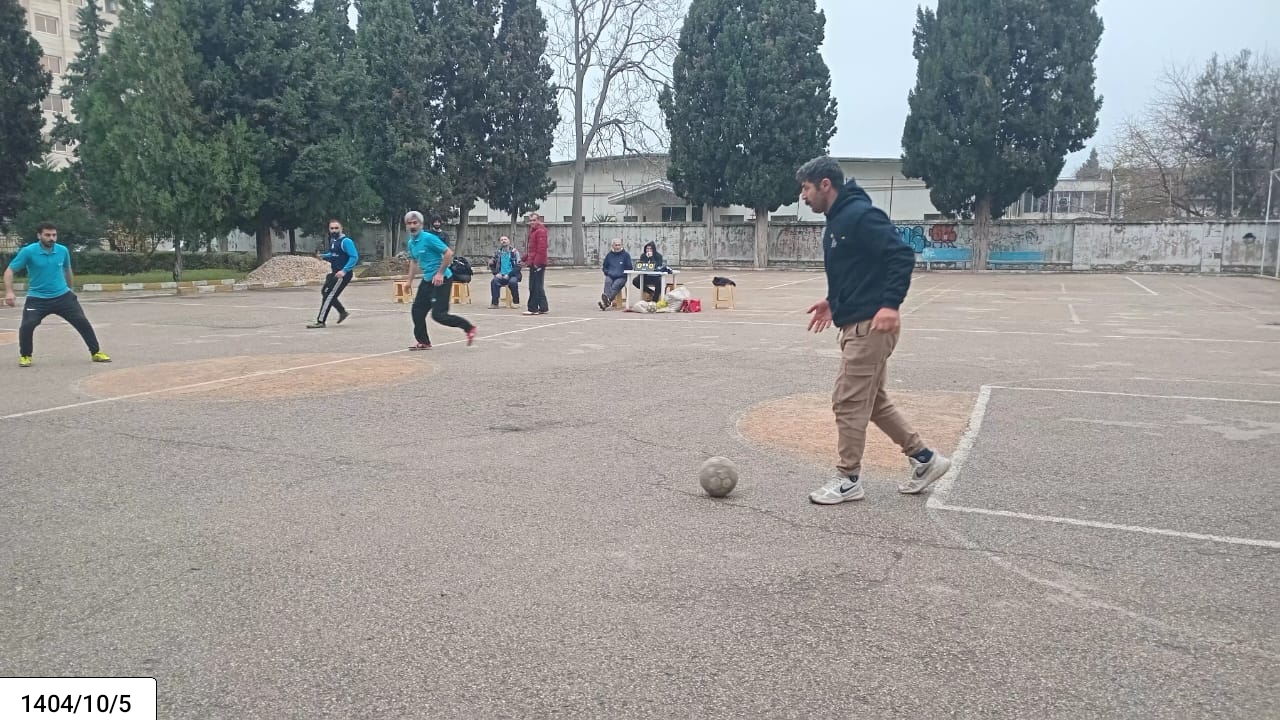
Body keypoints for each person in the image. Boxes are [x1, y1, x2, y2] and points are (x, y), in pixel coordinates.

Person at [795, 156, 950, 505]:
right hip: (857, 322)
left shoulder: (860, 216)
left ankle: (848, 478)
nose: (802, 196)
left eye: (805, 188)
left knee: (847, 401)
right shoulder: (838, 221)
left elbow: (901, 256)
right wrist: (833, 301)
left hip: (870, 327)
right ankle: (925, 459)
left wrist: (890, 304)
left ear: (825, 184)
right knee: (873, 402)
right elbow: (859, 272)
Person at [3, 222, 110, 367]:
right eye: (47, 235)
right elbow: (9, 271)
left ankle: (96, 352)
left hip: (62, 296)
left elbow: (67, 269)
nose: (51, 238)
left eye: (54, 235)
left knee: (82, 321)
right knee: (27, 325)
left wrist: (70, 290)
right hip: (37, 298)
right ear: (39, 235)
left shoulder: (62, 250)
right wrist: (9, 292)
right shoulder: (28, 251)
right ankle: (26, 356)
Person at [403, 211, 476, 349]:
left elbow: (448, 253)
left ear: (421, 224)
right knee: (417, 311)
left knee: (439, 315)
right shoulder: (411, 243)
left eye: (415, 223)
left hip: (442, 280)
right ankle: (424, 341)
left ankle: (469, 328)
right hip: (427, 280)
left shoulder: (429, 238)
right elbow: (414, 261)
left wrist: (440, 273)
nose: (412, 226)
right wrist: (409, 281)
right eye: (409, 223)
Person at [308, 219, 358, 328]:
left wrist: (344, 270)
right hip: (334, 273)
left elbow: (354, 257)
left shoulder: (346, 241)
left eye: (336, 228)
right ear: (329, 229)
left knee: (329, 295)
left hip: (342, 275)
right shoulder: (333, 241)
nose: (334, 230)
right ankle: (342, 312)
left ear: (341, 229)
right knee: (325, 292)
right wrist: (323, 256)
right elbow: (333, 254)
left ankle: (321, 321)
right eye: (332, 228)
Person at [522, 212, 549, 315]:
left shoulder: (540, 231)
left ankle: (533, 308)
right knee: (538, 285)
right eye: (530, 220)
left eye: (534, 220)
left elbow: (541, 249)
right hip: (534, 261)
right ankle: (543, 307)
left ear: (538, 220)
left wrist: (536, 263)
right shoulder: (533, 231)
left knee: (534, 286)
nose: (532, 222)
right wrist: (524, 259)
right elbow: (532, 249)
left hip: (538, 263)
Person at [598, 238, 633, 310]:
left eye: (619, 245)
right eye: (616, 245)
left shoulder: (626, 255)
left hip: (621, 277)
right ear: (613, 246)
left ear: (621, 245)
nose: (617, 247)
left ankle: (607, 301)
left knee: (616, 285)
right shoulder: (609, 255)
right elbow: (605, 267)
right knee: (607, 281)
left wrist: (624, 273)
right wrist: (607, 272)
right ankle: (607, 302)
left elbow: (630, 267)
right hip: (610, 275)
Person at [488, 236, 522, 308]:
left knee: (512, 282)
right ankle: (495, 304)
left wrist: (509, 275)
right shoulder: (497, 253)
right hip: (501, 275)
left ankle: (516, 302)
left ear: (509, 241)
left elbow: (518, 266)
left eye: (505, 239)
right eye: (502, 240)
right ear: (500, 242)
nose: (503, 241)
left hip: (513, 275)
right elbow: (491, 264)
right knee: (494, 282)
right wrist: (496, 273)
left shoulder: (514, 252)